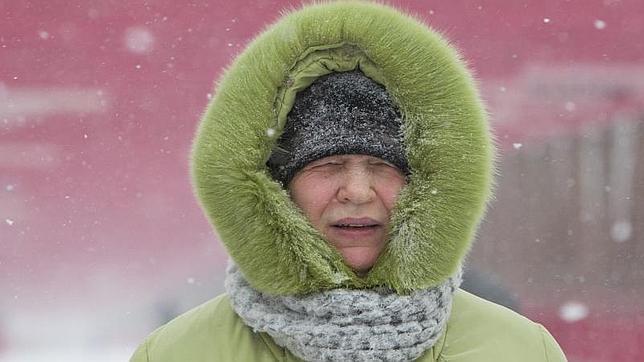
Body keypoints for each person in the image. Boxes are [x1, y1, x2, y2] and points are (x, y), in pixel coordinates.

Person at [131, 2, 567, 361]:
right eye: (328, 166)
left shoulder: (523, 350)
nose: (357, 192)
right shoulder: (176, 353)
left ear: (424, 186)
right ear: (279, 191)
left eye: (383, 167)